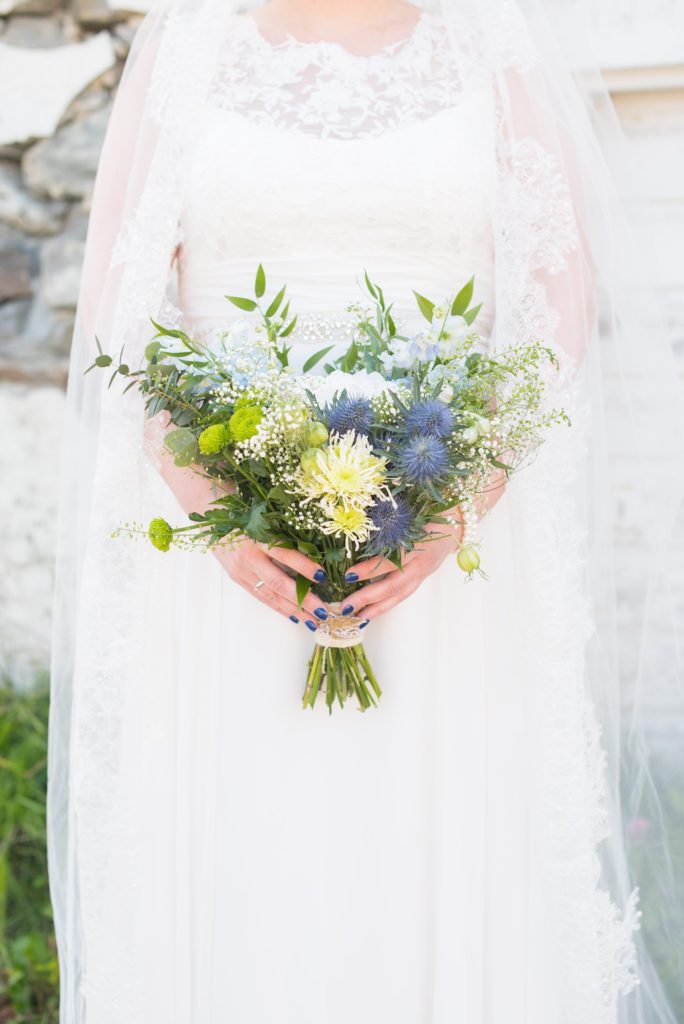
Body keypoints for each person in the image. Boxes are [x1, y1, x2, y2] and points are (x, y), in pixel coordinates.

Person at [46, 1, 684, 1022]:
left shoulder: (491, 46)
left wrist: (461, 499)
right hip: (233, 566)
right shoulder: (186, 50)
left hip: (443, 560)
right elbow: (119, 304)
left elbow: (555, 299)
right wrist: (215, 501)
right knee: (256, 851)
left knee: (433, 851)